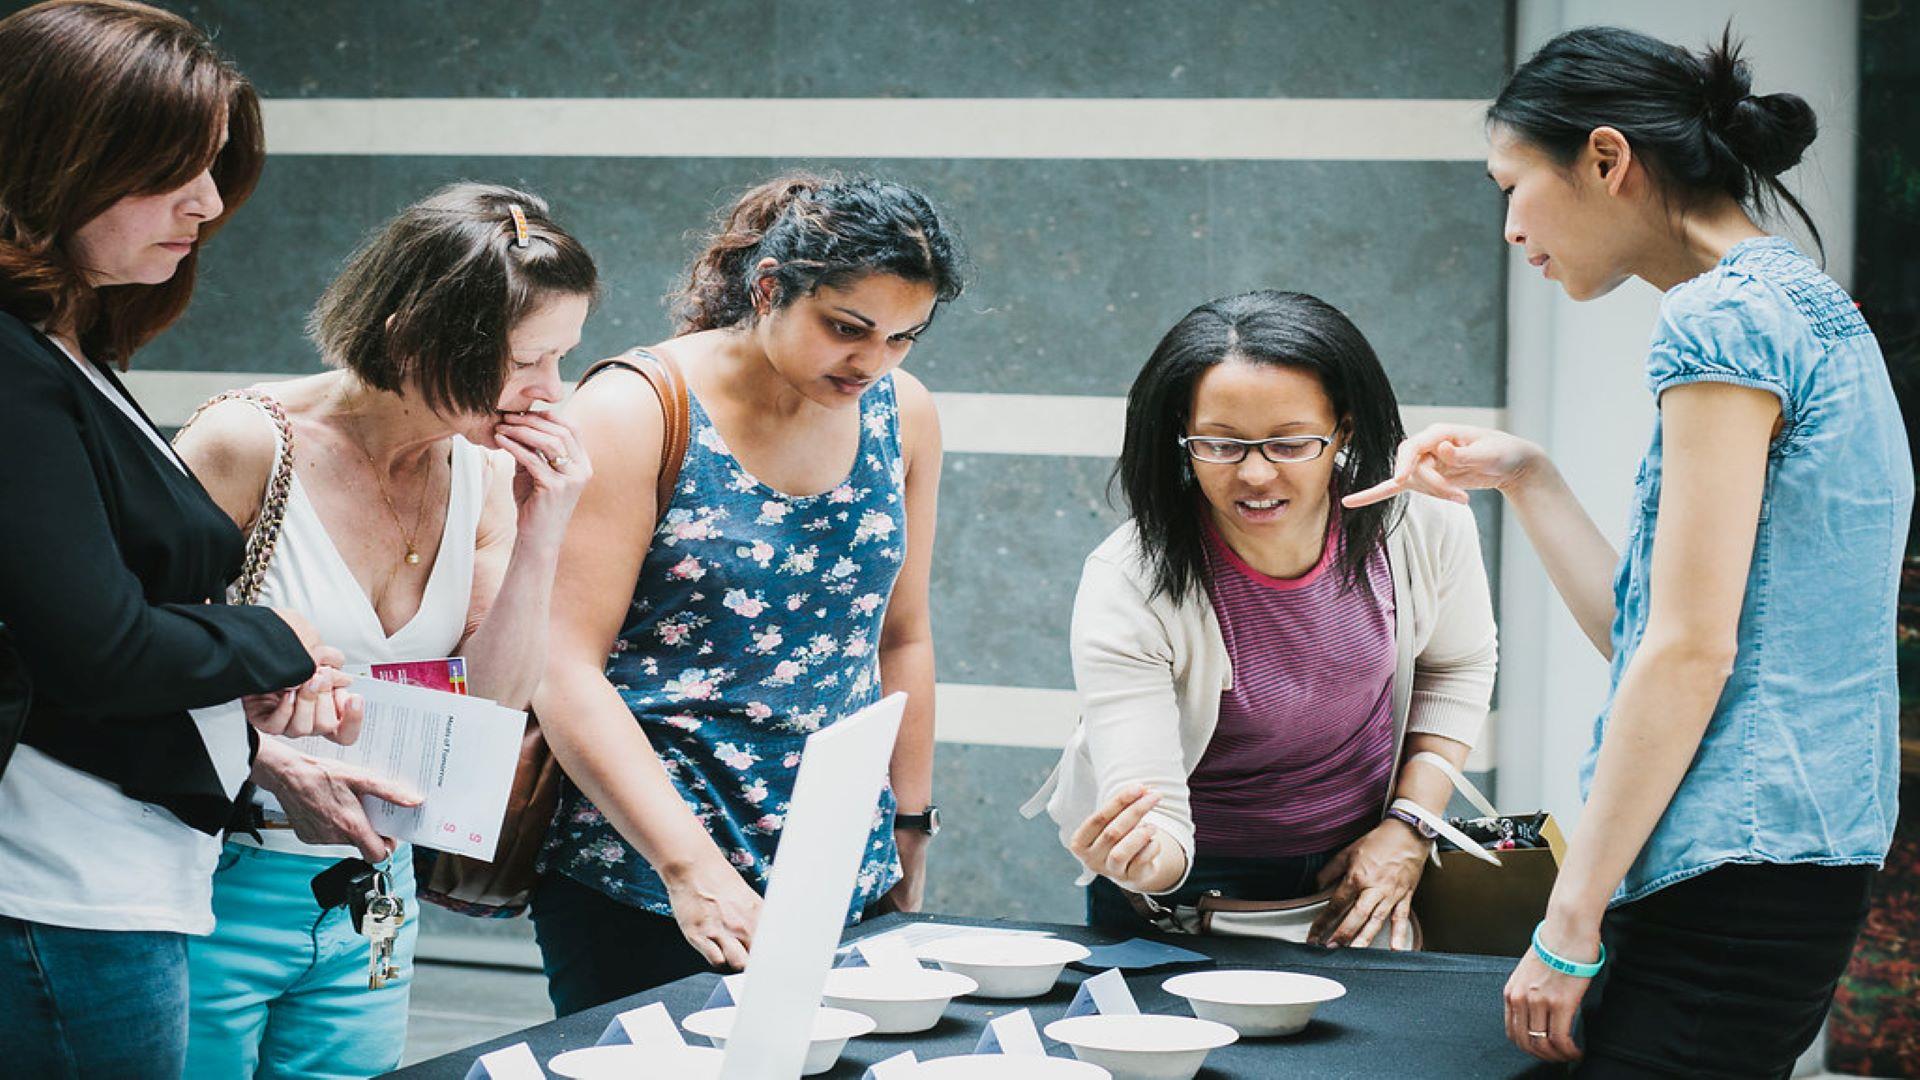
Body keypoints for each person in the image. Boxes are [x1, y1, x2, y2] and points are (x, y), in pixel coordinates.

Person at [1345, 26, 1913, 1077]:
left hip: (1725, 878)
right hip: (1794, 863)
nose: (1509, 227)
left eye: (1510, 186)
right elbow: (1653, 634)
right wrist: (1530, 477)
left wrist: (1567, 925)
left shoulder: (1720, 321)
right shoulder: (1805, 306)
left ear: (1607, 159)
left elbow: (1688, 655)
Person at [0, 3, 360, 1076]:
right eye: (171, 173)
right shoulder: (16, 370)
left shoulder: (61, 348)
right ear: (50, 164)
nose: (206, 205)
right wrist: (277, 638)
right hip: (57, 885)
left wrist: (242, 704)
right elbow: (97, 651)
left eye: (210, 171)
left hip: (105, 874)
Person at [172, 183, 597, 1079]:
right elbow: (137, 661)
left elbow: (496, 700)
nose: (550, 394)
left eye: (563, 360)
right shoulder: (246, 441)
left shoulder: (479, 471)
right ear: (416, 335)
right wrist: (267, 756)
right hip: (213, 875)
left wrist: (544, 526)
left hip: (374, 881)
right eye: (528, 362)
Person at [532, 173, 964, 1013]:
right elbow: (561, 668)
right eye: (848, 328)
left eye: (904, 337)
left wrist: (909, 827)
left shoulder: (901, 412)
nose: (872, 361)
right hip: (648, 871)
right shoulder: (636, 410)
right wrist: (691, 871)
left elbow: (902, 636)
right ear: (769, 289)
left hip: (841, 862)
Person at [1023, 289, 1497, 950]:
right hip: (1189, 891)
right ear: (1180, 439)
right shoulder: (1129, 578)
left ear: (1346, 432)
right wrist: (1144, 862)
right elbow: (1153, 806)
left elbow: (1458, 666)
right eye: (1219, 445)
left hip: (1362, 862)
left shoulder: (1423, 523)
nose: (1254, 473)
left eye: (1290, 443)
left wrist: (1410, 825)